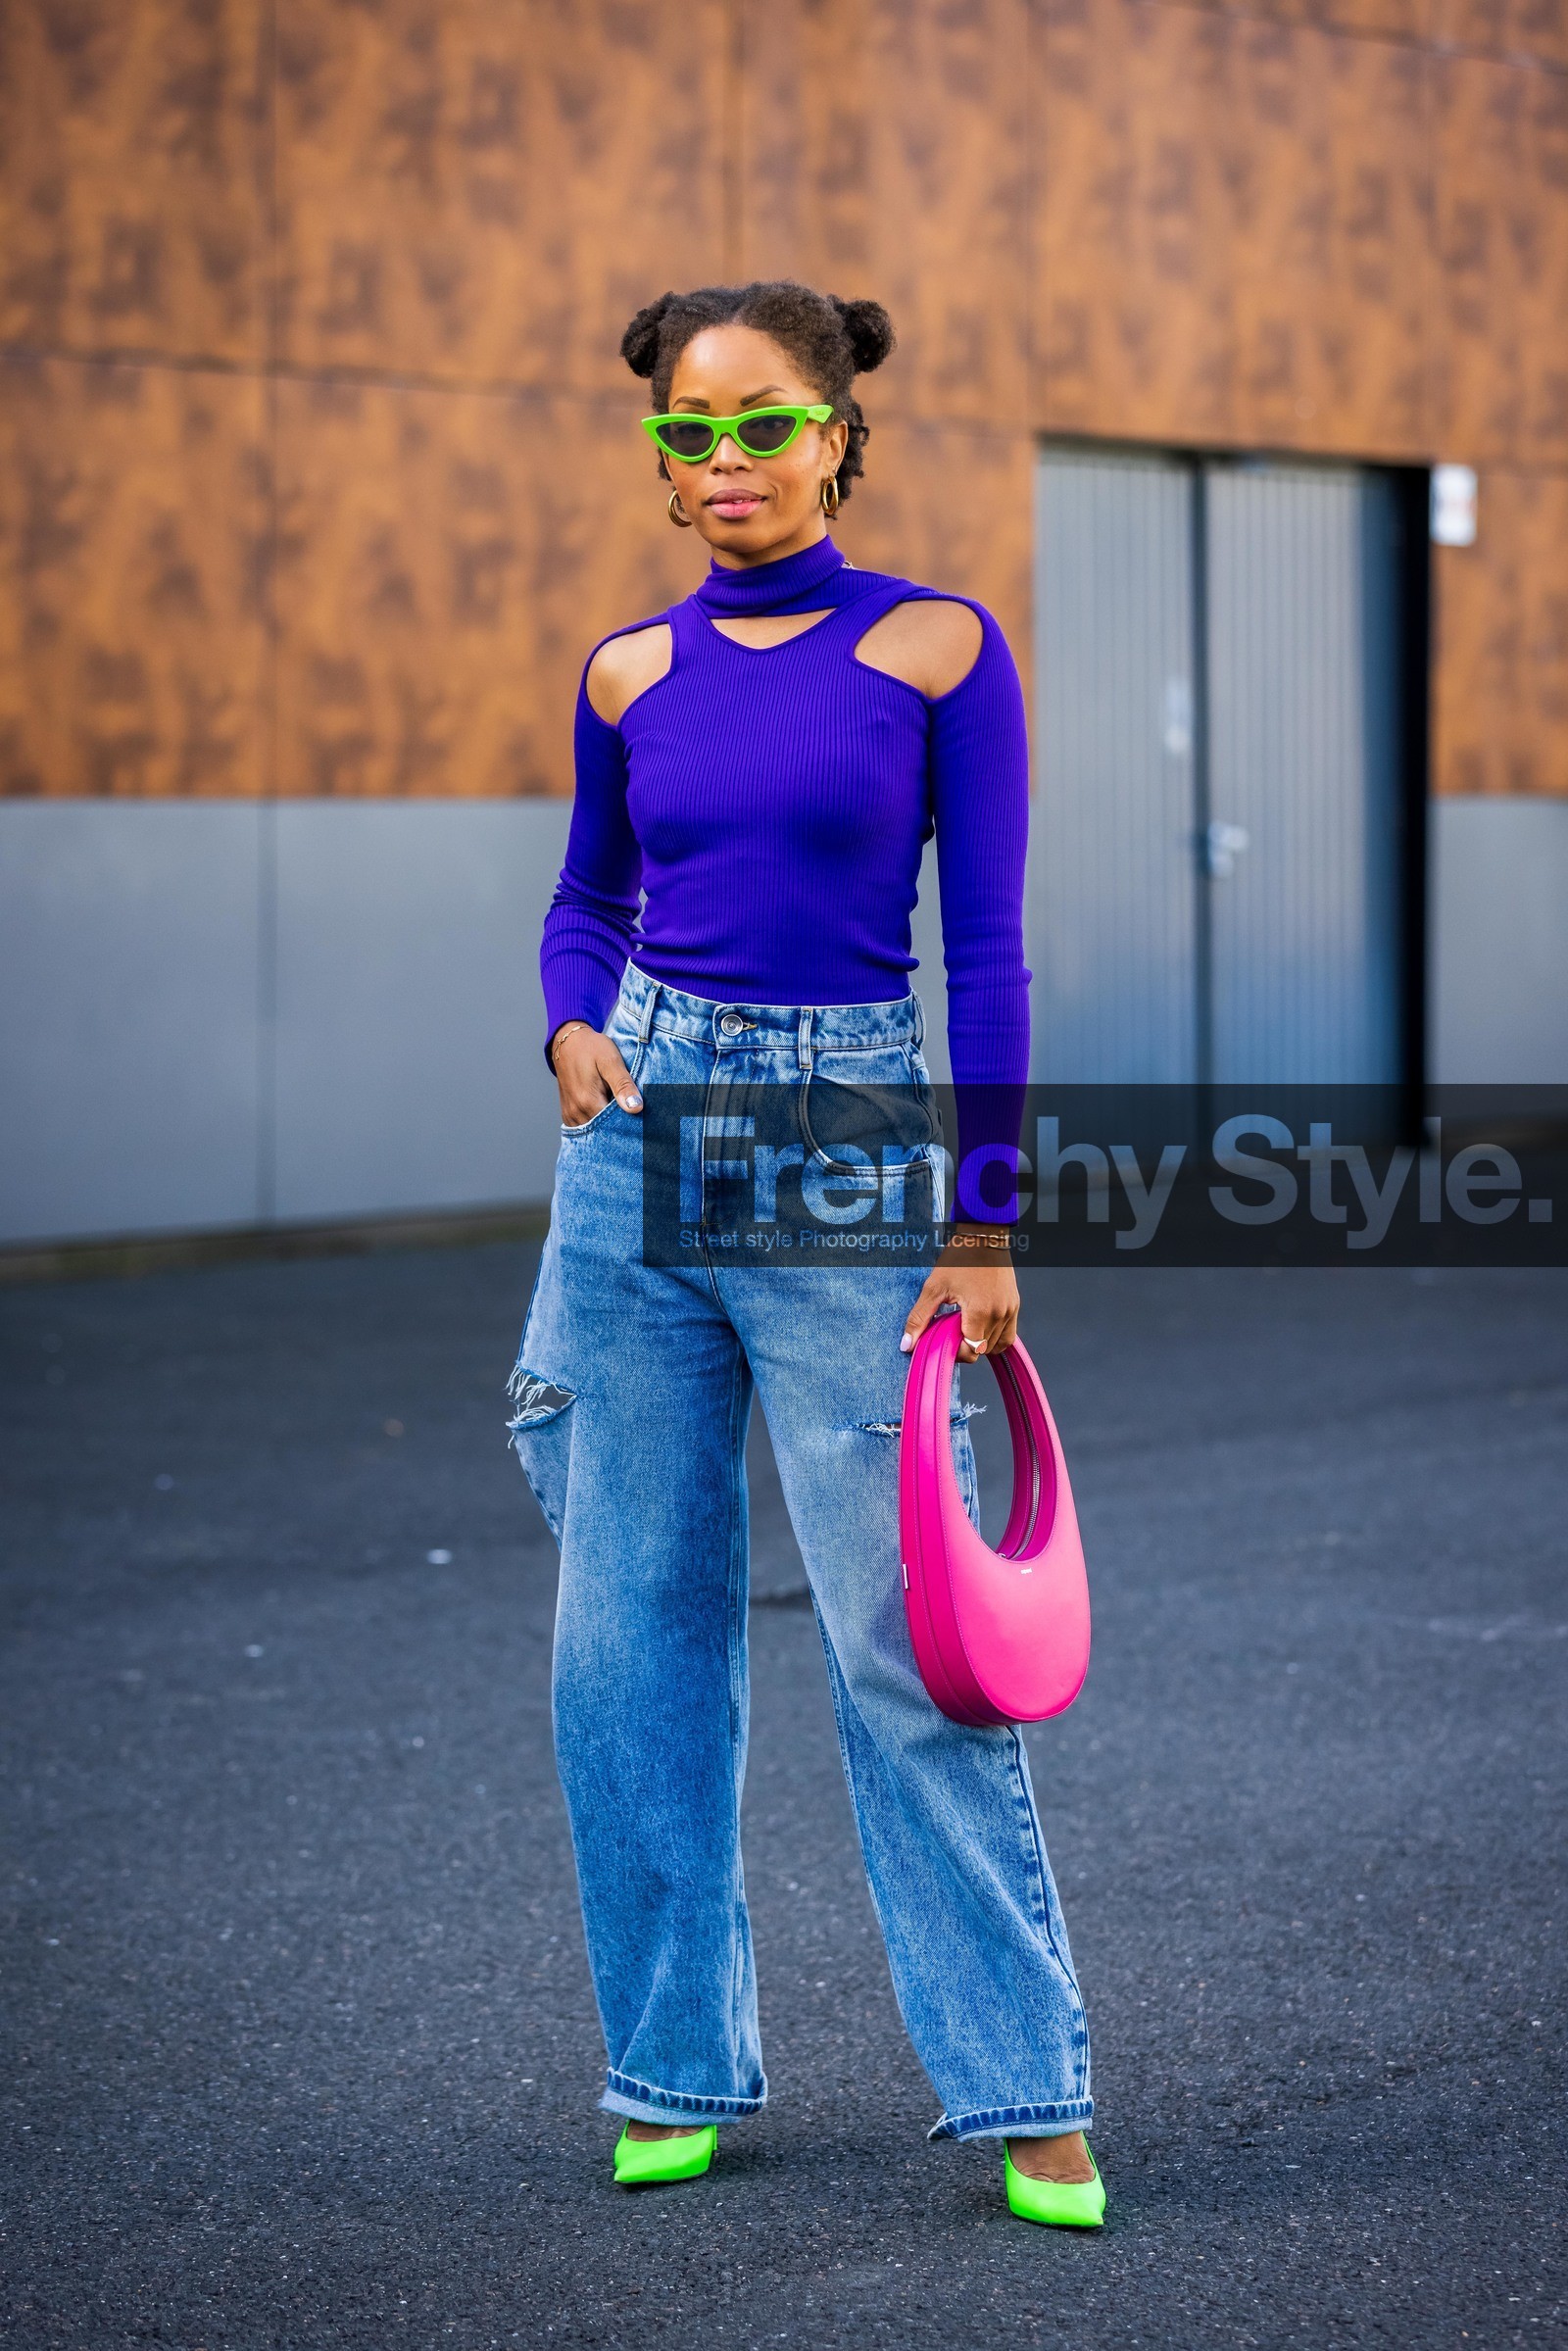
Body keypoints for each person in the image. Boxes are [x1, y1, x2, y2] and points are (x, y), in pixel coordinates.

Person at [507, 280, 1102, 2228]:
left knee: (898, 1633)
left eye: (762, 426)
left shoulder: (933, 650)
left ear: (838, 430)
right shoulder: (621, 674)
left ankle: (1028, 2092)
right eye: (689, 432)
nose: (725, 465)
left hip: (837, 1136)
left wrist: (985, 1219)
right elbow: (586, 899)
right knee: (624, 1636)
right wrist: (569, 1017)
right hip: (634, 1136)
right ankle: (666, 2064)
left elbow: (988, 948)